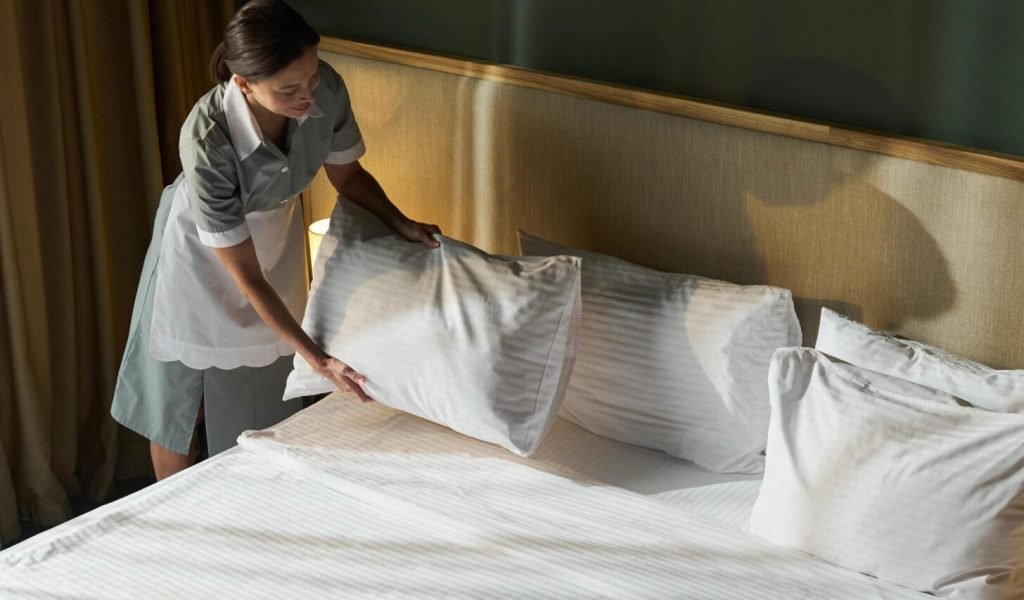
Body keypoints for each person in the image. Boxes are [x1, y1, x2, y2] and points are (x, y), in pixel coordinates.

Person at [110, 0, 440, 480]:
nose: (309, 93)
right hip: (201, 251)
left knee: (256, 397)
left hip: (274, 236)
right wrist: (319, 359)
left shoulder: (322, 86)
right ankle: (178, 523)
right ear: (242, 83)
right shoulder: (205, 140)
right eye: (289, 89)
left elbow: (348, 176)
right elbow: (245, 276)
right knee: (180, 410)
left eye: (311, 76)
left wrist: (400, 221)